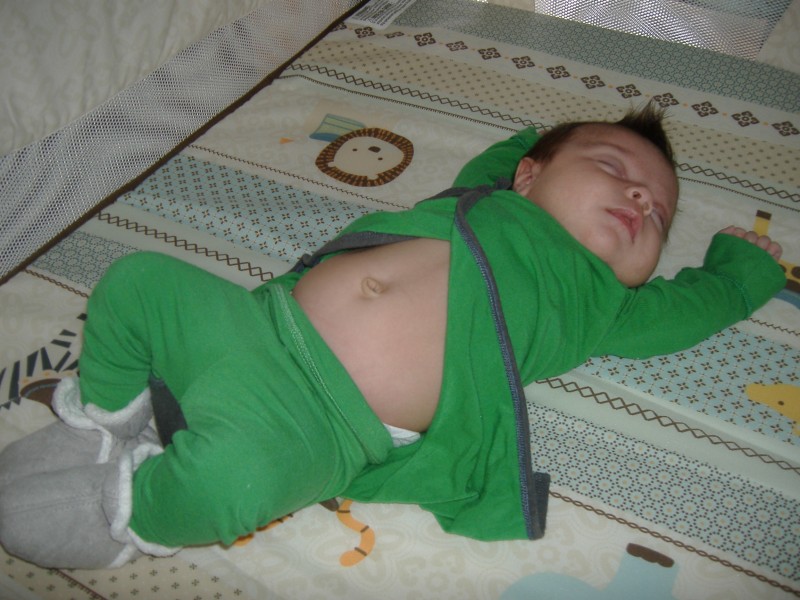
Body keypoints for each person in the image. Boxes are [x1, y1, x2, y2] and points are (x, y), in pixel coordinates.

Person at [0, 104, 785, 569]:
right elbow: (499, 163)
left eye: (658, 213)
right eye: (614, 168)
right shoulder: (481, 198)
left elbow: (696, 307)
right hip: (257, 321)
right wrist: (530, 141)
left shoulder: (601, 303)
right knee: (137, 281)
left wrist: (743, 270)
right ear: (529, 176)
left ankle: (132, 506)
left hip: (323, 424)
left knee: (230, 485)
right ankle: (106, 417)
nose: (640, 199)